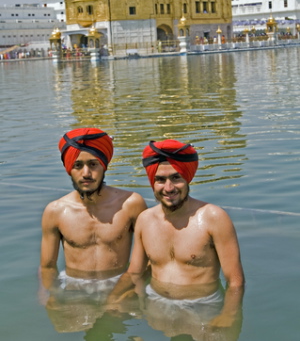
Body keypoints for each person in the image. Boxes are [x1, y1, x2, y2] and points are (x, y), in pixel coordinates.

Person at [109, 139, 245, 329]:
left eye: (176, 178)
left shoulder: (214, 218)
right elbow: (135, 272)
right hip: (156, 306)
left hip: (203, 307)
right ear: (152, 182)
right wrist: (112, 300)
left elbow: (235, 281)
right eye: (160, 180)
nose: (169, 188)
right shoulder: (145, 220)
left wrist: (229, 315)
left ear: (187, 178)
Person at [39, 127, 147, 303]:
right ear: (69, 169)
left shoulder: (131, 204)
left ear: (104, 166)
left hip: (120, 286)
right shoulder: (55, 211)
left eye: (93, 164)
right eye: (78, 165)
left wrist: (136, 288)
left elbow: (150, 256)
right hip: (75, 289)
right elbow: (47, 266)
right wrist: (50, 294)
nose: (86, 173)